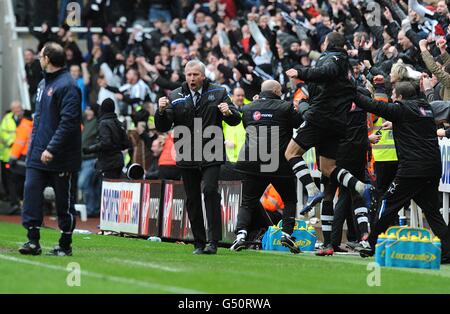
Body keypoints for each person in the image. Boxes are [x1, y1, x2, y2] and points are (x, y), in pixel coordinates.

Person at [355, 81, 450, 264]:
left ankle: (371, 243)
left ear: (399, 97)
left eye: (393, 94)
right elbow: (413, 124)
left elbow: (373, 105)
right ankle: (447, 251)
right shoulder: (426, 108)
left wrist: (348, 92)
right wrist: (396, 124)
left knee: (387, 203)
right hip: (432, 168)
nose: (391, 97)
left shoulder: (402, 109)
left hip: (412, 169)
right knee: (432, 212)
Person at [155, 60, 241, 255]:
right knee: (192, 199)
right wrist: (160, 111)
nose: (192, 78)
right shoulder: (175, 95)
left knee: (210, 191)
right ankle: (199, 243)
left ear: (203, 76)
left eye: (195, 75)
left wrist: (228, 113)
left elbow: (236, 119)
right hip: (187, 152)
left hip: (212, 151)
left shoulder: (218, 92)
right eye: (189, 75)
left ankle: (213, 241)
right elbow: (163, 126)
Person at [284, 32, 373, 215]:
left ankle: (312, 191)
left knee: (290, 153)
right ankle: (360, 186)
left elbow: (327, 71)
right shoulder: (346, 66)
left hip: (321, 117)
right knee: (327, 168)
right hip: (337, 123)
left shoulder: (333, 58)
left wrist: (300, 72)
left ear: (327, 43)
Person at [19, 42, 82, 257]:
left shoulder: (68, 86)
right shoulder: (43, 83)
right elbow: (39, 121)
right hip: (38, 154)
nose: (38, 58)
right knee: (31, 195)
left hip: (61, 157)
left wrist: (52, 148)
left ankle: (65, 244)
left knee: (64, 203)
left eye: (41, 55)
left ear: (47, 58)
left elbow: (69, 122)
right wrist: (34, 148)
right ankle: (32, 241)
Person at [231, 80, 303, 253]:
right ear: (277, 90)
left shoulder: (248, 109)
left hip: (253, 163)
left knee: (247, 202)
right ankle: (286, 234)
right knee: (290, 200)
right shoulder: (285, 107)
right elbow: (298, 122)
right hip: (279, 164)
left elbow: (248, 126)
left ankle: (240, 235)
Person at [83, 98, 130, 179]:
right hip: (119, 161)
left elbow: (106, 143)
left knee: (104, 188)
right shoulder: (118, 122)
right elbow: (126, 144)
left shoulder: (103, 123)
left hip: (108, 163)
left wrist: (89, 149)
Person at [8, 110, 33, 215]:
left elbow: (19, 143)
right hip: (30, 158)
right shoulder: (34, 125)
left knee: (16, 184)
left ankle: (20, 205)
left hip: (20, 159)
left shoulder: (24, 126)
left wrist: (12, 158)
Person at [78, 104, 100, 217]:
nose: (87, 111)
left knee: (83, 183)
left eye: (89, 109)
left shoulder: (96, 122)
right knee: (89, 185)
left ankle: (91, 208)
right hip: (83, 158)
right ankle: (92, 209)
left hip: (91, 158)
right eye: (86, 109)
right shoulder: (86, 121)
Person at [0, 101, 23, 202]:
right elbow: (2, 133)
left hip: (20, 155)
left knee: (18, 179)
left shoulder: (25, 120)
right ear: (13, 110)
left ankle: (17, 199)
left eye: (20, 108)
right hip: (7, 155)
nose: (19, 110)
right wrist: (12, 142)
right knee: (8, 179)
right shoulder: (7, 119)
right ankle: (12, 200)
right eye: (17, 108)